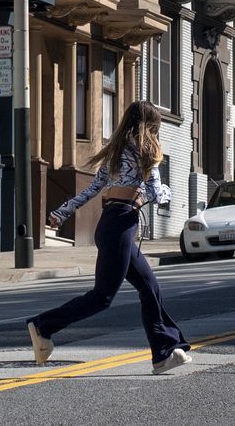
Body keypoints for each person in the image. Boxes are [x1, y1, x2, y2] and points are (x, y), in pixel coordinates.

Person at [27, 100, 191, 375]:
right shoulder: (146, 150)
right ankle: (44, 325)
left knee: (149, 287)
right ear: (150, 125)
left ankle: (162, 353)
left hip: (110, 224)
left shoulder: (115, 153)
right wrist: (167, 194)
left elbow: (91, 191)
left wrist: (61, 212)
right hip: (121, 224)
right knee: (102, 297)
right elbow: (154, 192)